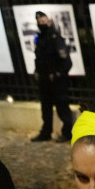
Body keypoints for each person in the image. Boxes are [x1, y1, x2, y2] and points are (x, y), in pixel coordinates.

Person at [32, 11, 75, 142]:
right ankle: (46, 132)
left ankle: (68, 133)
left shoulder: (56, 39)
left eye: (44, 21)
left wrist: (58, 74)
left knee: (62, 108)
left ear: (49, 22)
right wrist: (37, 72)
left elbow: (66, 62)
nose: (42, 24)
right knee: (46, 108)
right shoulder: (40, 38)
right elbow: (39, 58)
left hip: (57, 81)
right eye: (40, 22)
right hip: (44, 79)